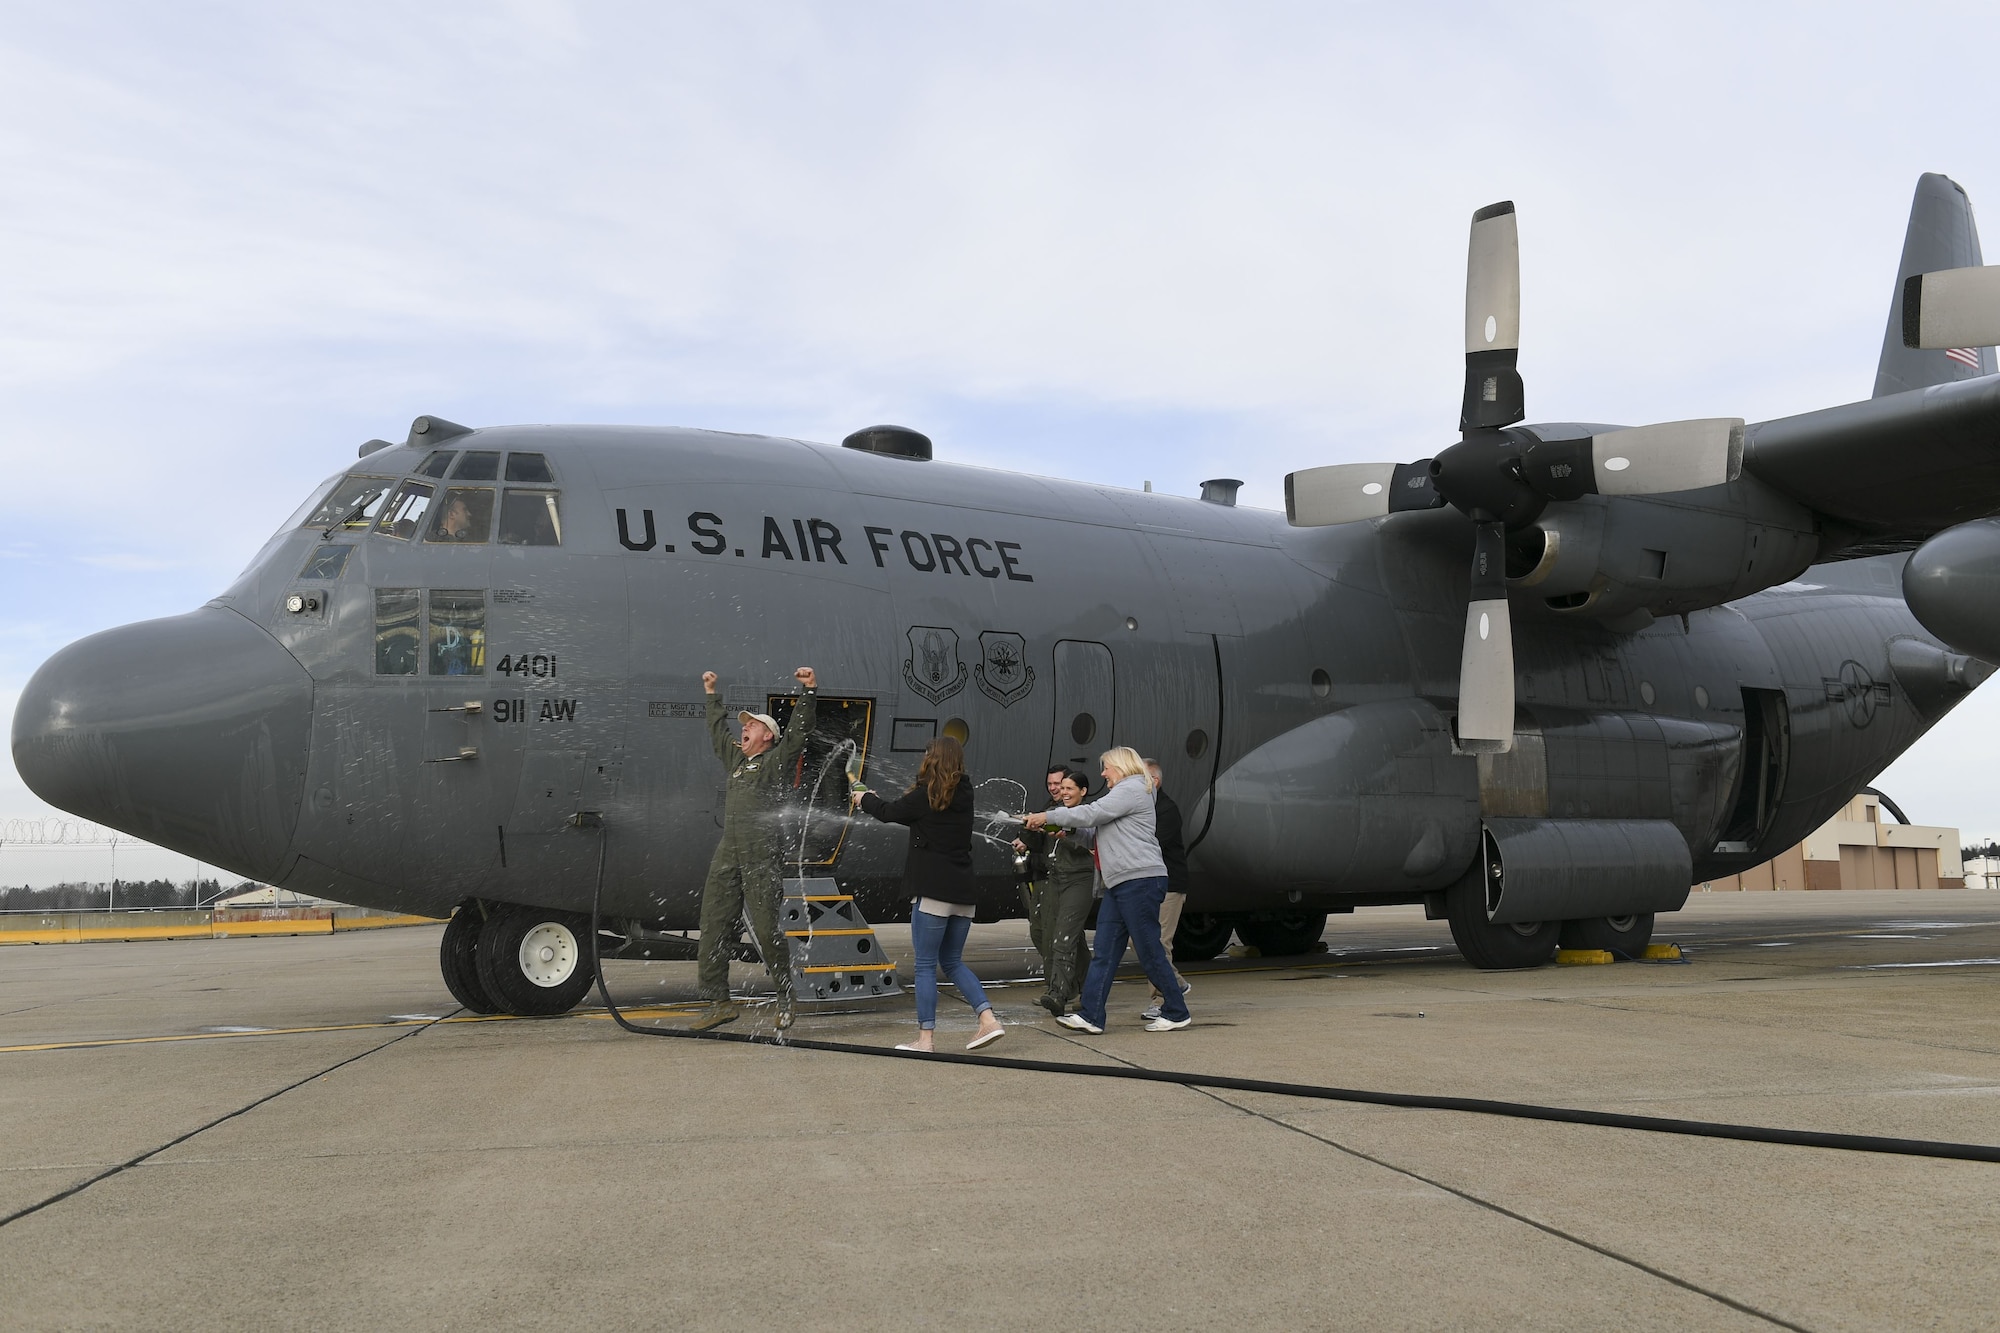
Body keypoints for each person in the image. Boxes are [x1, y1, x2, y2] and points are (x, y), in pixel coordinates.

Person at [1022, 746, 1190, 1034]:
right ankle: (1092, 1015)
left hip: (1138, 881)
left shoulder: (1133, 788)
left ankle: (1176, 1010)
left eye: (1107, 768)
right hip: (1119, 882)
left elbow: (1093, 813)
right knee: (1105, 951)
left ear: (1122, 767)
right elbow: (1097, 830)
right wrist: (1066, 830)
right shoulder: (1124, 794)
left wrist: (1049, 817)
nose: (1103, 773)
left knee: (1149, 949)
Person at [853, 736, 1004, 1052]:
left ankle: (925, 1040)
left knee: (924, 965)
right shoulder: (965, 793)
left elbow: (888, 812)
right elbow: (902, 809)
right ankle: (988, 1019)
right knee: (952, 961)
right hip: (963, 893)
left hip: (933, 893)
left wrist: (863, 798)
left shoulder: (926, 796)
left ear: (931, 760)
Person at [688, 666, 818, 1032]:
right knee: (713, 924)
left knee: (765, 930)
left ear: (768, 736)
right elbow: (718, 734)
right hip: (729, 851)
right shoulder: (737, 762)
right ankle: (718, 1001)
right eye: (744, 725)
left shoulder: (775, 762)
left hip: (762, 853)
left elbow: (798, 733)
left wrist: (808, 690)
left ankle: (785, 994)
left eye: (752, 725)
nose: (744, 728)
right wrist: (712, 694)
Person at [1029, 770, 1096, 1017]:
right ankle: (1078, 990)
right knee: (1051, 935)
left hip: (1079, 880)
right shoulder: (1055, 813)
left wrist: (1061, 832)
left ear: (1083, 792)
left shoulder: (1088, 814)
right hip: (1056, 879)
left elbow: (1087, 842)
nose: (1063, 792)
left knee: (1064, 938)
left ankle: (1058, 993)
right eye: (1061, 788)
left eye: (1069, 789)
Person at [1144, 759, 1192, 1021]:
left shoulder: (1166, 810)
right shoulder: (1144, 808)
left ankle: (1162, 998)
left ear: (1155, 781)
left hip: (1169, 884)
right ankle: (1177, 984)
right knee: (1142, 940)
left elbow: (1152, 842)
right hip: (1150, 883)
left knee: (1160, 942)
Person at [1011, 765, 1070, 971]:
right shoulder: (1049, 807)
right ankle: (1060, 979)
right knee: (1039, 931)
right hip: (1041, 876)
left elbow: (1063, 831)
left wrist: (1036, 826)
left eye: (1057, 784)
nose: (1053, 788)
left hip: (1056, 878)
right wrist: (1026, 836)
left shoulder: (1070, 809)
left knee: (1054, 935)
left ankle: (1061, 984)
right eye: (1050, 784)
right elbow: (1040, 840)